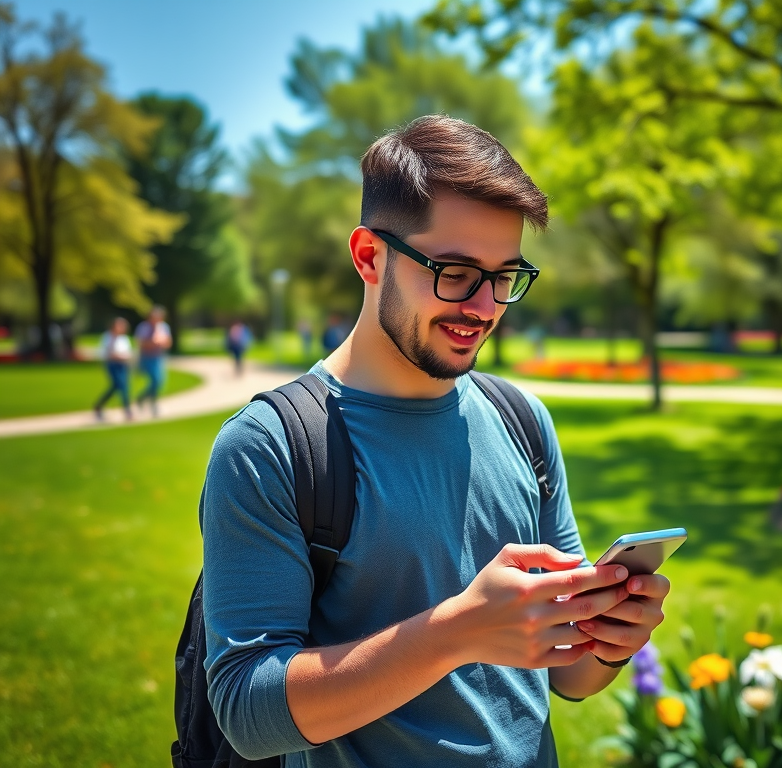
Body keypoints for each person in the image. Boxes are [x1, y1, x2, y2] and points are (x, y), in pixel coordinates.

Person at [199, 115, 670, 768]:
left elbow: (571, 676)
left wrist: (612, 638)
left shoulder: (522, 420)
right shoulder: (273, 446)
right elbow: (248, 714)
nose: (484, 308)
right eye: (454, 272)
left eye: (505, 276)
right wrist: (457, 632)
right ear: (369, 256)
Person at [135, 306, 172, 416]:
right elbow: (141, 344)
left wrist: (161, 342)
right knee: (155, 380)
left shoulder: (163, 327)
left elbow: (168, 342)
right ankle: (151, 404)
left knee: (159, 382)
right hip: (147, 357)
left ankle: (143, 399)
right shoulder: (143, 327)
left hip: (158, 357)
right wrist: (153, 343)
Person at [94, 317, 133, 421]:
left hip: (123, 365)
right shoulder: (108, 337)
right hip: (112, 365)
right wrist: (121, 356)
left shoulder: (123, 338)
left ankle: (99, 405)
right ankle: (127, 411)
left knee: (121, 387)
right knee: (119, 385)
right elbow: (109, 354)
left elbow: (128, 353)